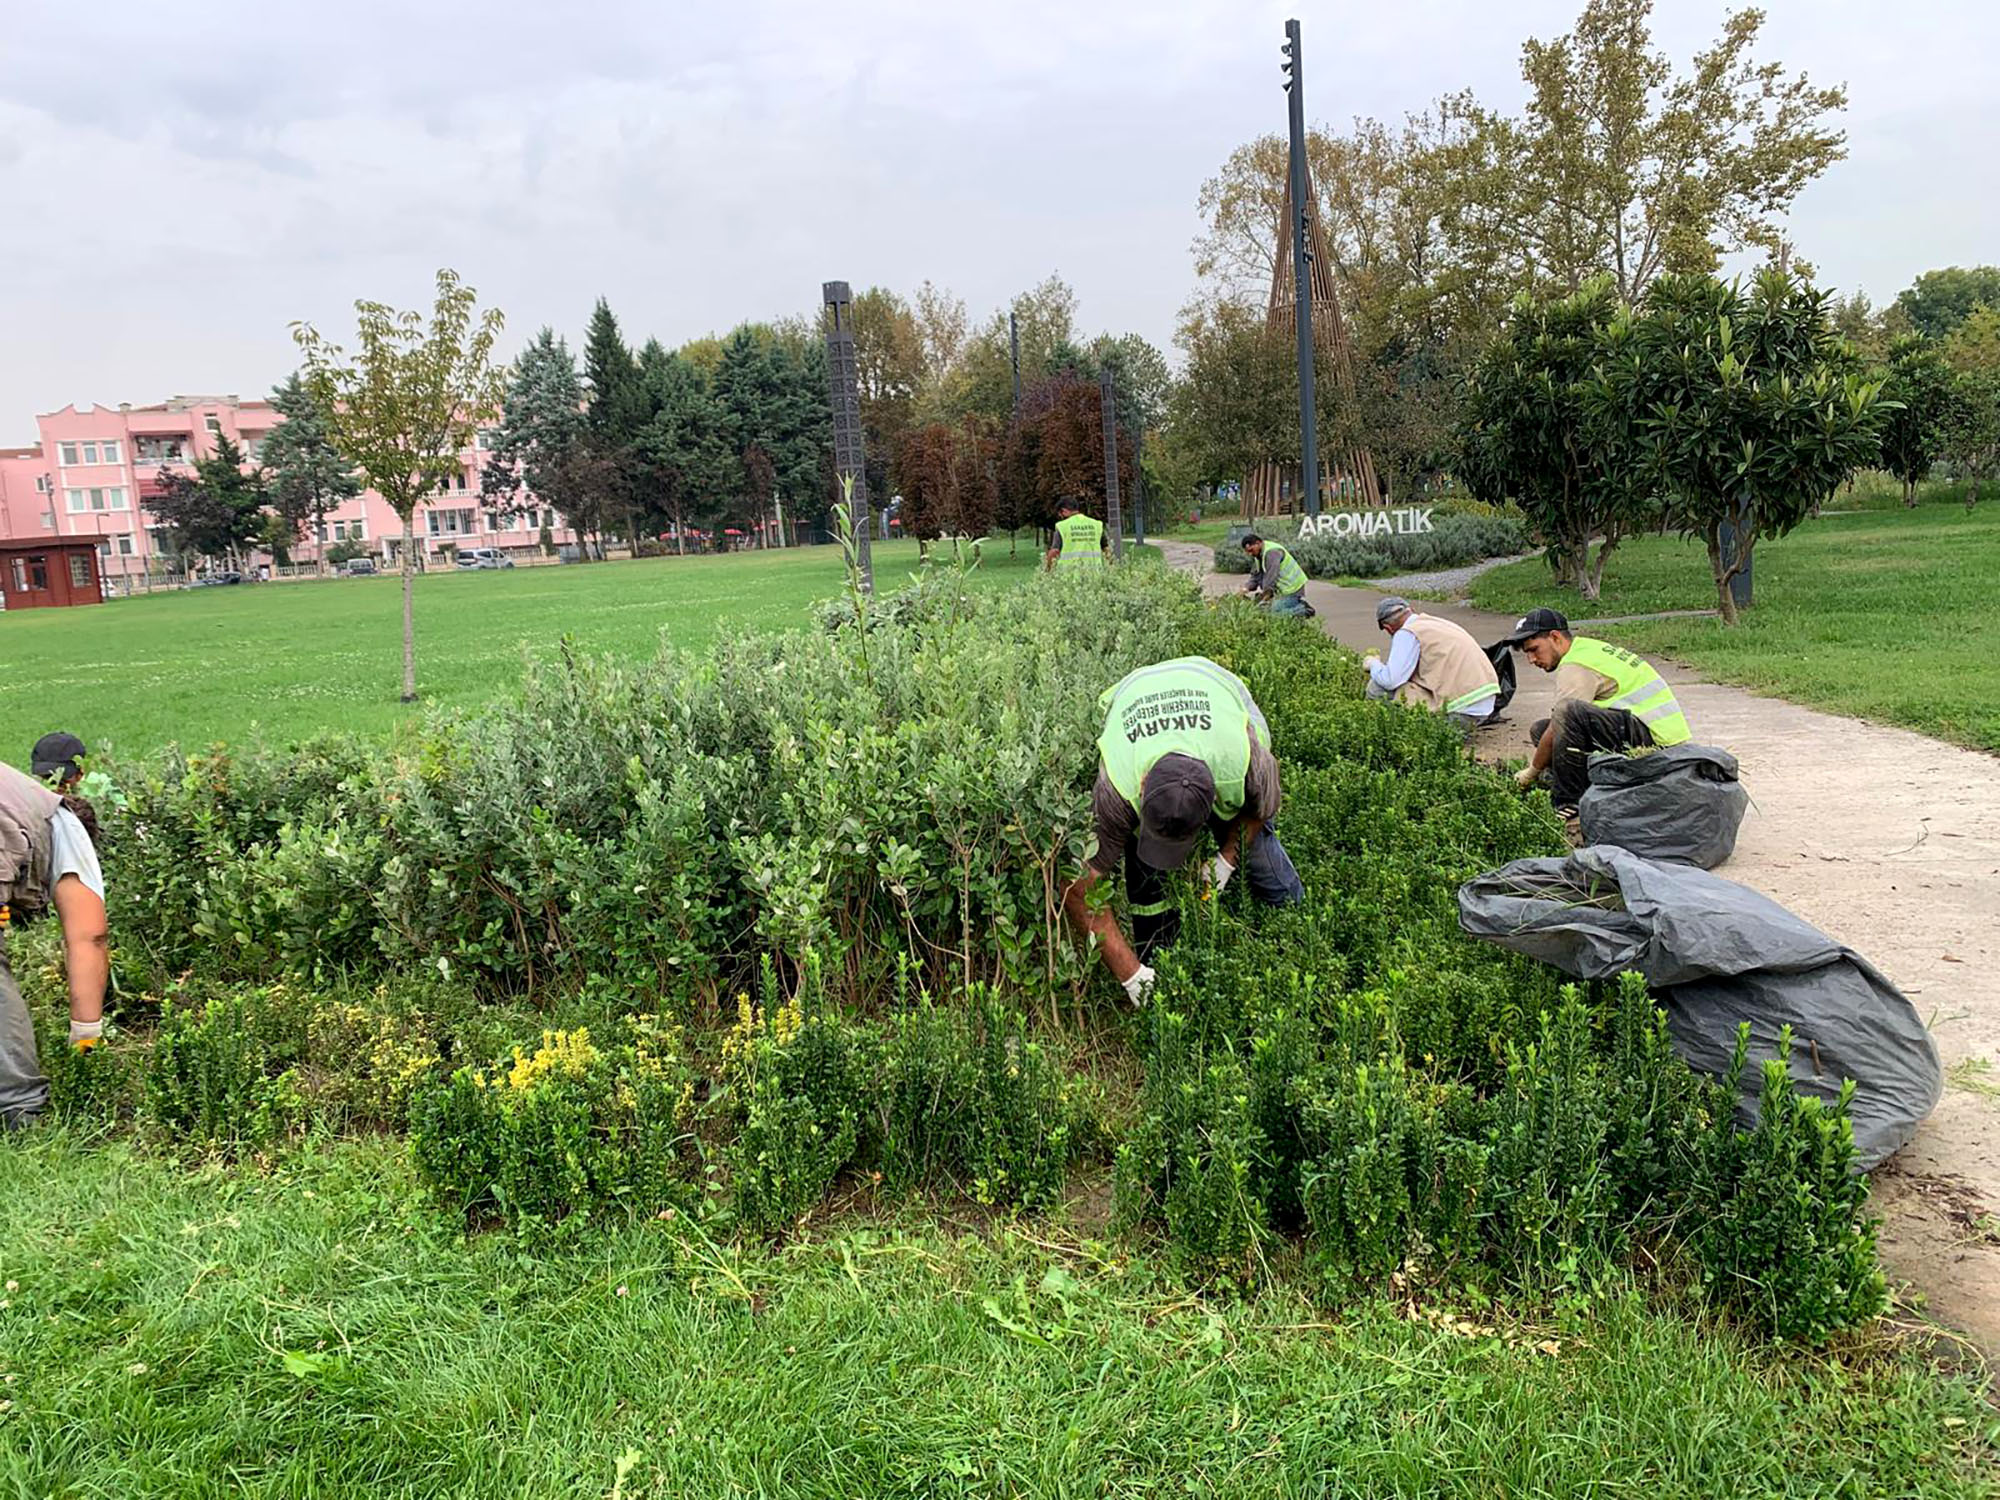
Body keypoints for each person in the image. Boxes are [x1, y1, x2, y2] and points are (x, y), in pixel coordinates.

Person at [1061, 656, 1304, 1003]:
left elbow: (1260, 810)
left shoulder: (1245, 757)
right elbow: (1078, 882)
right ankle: (1154, 955)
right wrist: (1130, 975)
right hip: (1139, 691)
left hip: (1215, 686)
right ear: (1142, 786)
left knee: (1260, 854)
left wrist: (1227, 859)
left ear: (1215, 797)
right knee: (1145, 872)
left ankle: (1295, 919)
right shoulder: (1118, 784)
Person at [1, 733, 110, 1127]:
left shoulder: (17, 794)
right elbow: (88, 936)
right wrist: (85, 1038)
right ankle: (21, 1109)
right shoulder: (62, 824)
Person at [1503, 608, 1692, 812]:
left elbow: (1563, 720)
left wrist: (1532, 771)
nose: (1531, 660)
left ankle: (1569, 802)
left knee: (1566, 714)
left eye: (1534, 649)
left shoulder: (1576, 665)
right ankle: (1584, 784)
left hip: (1659, 743)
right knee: (1541, 730)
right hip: (1645, 730)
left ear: (1555, 637)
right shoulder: (1586, 648)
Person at [1362, 596, 1501, 736]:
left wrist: (1373, 664)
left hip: (1459, 712)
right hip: (1484, 706)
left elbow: (1391, 680)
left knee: (1377, 688)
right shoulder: (1436, 623)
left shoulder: (1407, 633)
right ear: (1411, 610)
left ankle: (1389, 734)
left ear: (1388, 628)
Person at [1240, 534, 1312, 616]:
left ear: (1258, 543)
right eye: (1247, 552)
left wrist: (1264, 599)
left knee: (1268, 613)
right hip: (1282, 590)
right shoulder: (1258, 555)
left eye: (1251, 550)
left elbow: (1271, 579)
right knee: (1260, 608)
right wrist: (1245, 588)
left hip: (1292, 590)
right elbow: (1256, 576)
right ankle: (1295, 604)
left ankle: (1302, 609)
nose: (1250, 554)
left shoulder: (1272, 553)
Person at [1044, 500, 1107, 572]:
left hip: (1069, 574)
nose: (1060, 517)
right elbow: (1106, 549)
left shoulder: (1062, 526)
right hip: (1094, 574)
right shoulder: (1096, 525)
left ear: (1064, 511)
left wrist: (1048, 569)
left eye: (1060, 515)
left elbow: (1054, 551)